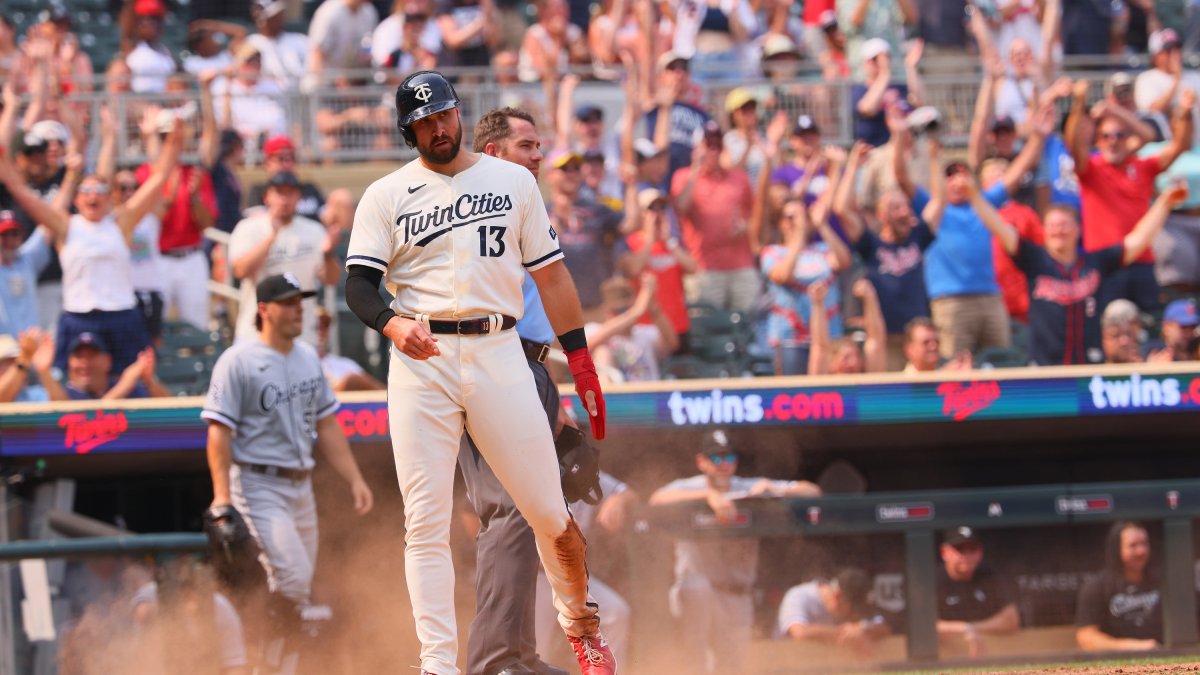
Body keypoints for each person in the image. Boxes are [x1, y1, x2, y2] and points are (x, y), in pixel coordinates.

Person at [343, 71, 616, 675]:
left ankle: (582, 628)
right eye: (423, 121)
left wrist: (581, 360)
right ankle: (437, 665)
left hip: (500, 349)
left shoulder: (512, 181)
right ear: (407, 129)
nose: (437, 127)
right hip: (422, 360)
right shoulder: (386, 194)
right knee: (425, 521)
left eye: (443, 114)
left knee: (550, 512)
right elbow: (357, 285)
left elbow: (553, 277)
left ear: (459, 113)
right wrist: (390, 323)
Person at [201, 273, 374, 669]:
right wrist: (221, 495)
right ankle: (263, 661)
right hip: (258, 481)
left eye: (301, 300)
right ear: (264, 310)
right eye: (289, 302)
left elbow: (328, 425)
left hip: (301, 485)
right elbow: (218, 432)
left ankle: (274, 664)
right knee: (293, 579)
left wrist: (355, 478)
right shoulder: (237, 360)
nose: (300, 309)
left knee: (296, 587)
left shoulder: (307, 359)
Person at [456, 105, 573, 675]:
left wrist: (557, 392)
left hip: (531, 364)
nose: (539, 155)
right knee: (510, 510)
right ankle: (495, 661)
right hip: (496, 360)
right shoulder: (471, 206)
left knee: (535, 511)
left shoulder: (518, 205)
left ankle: (518, 655)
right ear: (495, 152)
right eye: (528, 145)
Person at [0, 118, 182, 374]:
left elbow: (159, 178)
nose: (93, 195)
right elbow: (20, 191)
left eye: (99, 190)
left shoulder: (121, 222)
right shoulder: (65, 225)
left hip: (121, 314)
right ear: (77, 198)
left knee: (134, 383)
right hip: (79, 317)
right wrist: (3, 153)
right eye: (86, 190)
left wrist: (174, 142)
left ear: (109, 198)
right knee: (76, 391)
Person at [649, 429, 821, 674]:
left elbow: (812, 491)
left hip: (737, 594)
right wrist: (709, 496)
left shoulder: (747, 486)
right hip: (700, 593)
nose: (723, 464)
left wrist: (774, 488)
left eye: (728, 458)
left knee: (733, 668)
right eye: (716, 458)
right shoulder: (689, 487)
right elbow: (657, 499)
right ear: (702, 462)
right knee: (696, 590)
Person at [991, 184, 1188, 365]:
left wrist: (1164, 203)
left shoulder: (1094, 263)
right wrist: (974, 196)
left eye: (1065, 225)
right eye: (1053, 225)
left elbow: (1136, 242)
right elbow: (1002, 230)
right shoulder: (1035, 261)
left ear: (1078, 229)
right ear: (1044, 231)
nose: (1059, 230)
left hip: (1088, 368)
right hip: (1044, 369)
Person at [1067, 79, 1194, 313]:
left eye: (1119, 135)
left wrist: (1185, 112)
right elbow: (1074, 144)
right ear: (1098, 141)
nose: (1113, 141)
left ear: (1128, 139)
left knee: (1148, 325)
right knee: (1106, 325)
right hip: (1105, 263)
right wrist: (1078, 104)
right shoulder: (1091, 169)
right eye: (1106, 136)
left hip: (1142, 261)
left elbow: (1178, 146)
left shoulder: (1142, 166)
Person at [228, 171, 341, 347]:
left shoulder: (314, 230)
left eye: (290, 193)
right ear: (267, 197)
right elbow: (241, 271)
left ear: (299, 197)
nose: (285, 199)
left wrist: (327, 255)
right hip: (255, 333)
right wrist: (271, 238)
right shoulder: (248, 228)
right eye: (279, 193)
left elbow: (331, 280)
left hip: (301, 334)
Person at [671, 120, 757, 313]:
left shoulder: (738, 177)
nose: (713, 151)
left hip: (741, 266)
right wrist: (695, 169)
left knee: (748, 325)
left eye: (717, 145)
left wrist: (745, 226)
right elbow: (680, 209)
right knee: (707, 327)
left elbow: (754, 214)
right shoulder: (683, 176)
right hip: (705, 268)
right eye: (708, 145)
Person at [1076, 521, 1161, 651]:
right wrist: (1135, 646)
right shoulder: (1097, 586)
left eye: (1144, 544)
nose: (1141, 551)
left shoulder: (1163, 582)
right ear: (1117, 549)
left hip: (1165, 659)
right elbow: (1086, 637)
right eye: (1133, 546)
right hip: (1114, 664)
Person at [935, 526, 1019, 658]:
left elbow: (1011, 620)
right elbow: (924, 627)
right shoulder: (933, 580)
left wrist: (973, 629)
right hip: (941, 656)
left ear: (980, 552)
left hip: (992, 652)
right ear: (944, 553)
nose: (967, 556)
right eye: (960, 549)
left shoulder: (988, 575)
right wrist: (964, 629)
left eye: (972, 549)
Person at [587, 275, 678, 383]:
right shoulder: (593, 329)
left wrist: (654, 309)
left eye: (628, 309)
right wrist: (636, 311)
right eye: (621, 310)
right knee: (602, 352)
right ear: (607, 311)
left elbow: (672, 344)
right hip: (616, 396)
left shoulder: (645, 332)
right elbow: (586, 348)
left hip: (647, 395)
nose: (627, 315)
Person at [776, 568, 889, 654]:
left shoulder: (843, 601)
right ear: (837, 596)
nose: (854, 614)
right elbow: (800, 633)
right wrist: (845, 634)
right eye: (853, 609)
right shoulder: (798, 595)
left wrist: (862, 629)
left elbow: (882, 626)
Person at [39, 331, 169, 401]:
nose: (85, 363)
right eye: (79, 357)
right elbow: (74, 420)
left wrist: (149, 382)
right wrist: (44, 372)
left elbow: (173, 412)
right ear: (69, 362)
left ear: (108, 361)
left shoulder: (131, 389)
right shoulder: (65, 394)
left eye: (91, 356)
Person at [0, 209, 52, 337]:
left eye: (14, 234)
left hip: (32, 344)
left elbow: (50, 220)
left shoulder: (27, 258)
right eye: (4, 235)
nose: (10, 240)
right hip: (4, 348)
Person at [902, 317, 971, 374]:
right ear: (909, 349)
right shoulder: (899, 385)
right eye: (926, 342)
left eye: (937, 341)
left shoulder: (953, 373)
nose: (933, 347)